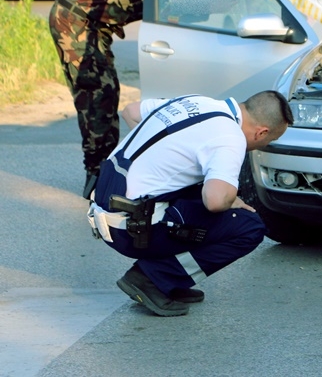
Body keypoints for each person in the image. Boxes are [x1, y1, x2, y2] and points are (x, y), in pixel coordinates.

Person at [87, 91, 292, 317]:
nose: (265, 145)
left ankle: (167, 280)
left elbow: (131, 111)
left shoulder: (197, 101)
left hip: (106, 211)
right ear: (261, 131)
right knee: (248, 227)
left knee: (199, 190)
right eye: (269, 140)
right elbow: (215, 202)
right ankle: (152, 278)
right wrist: (230, 197)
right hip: (130, 229)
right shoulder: (230, 137)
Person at [48, 0, 149, 199]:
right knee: (97, 99)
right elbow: (162, 11)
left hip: (94, 26)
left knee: (107, 92)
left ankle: (104, 173)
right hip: (75, 21)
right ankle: (97, 181)